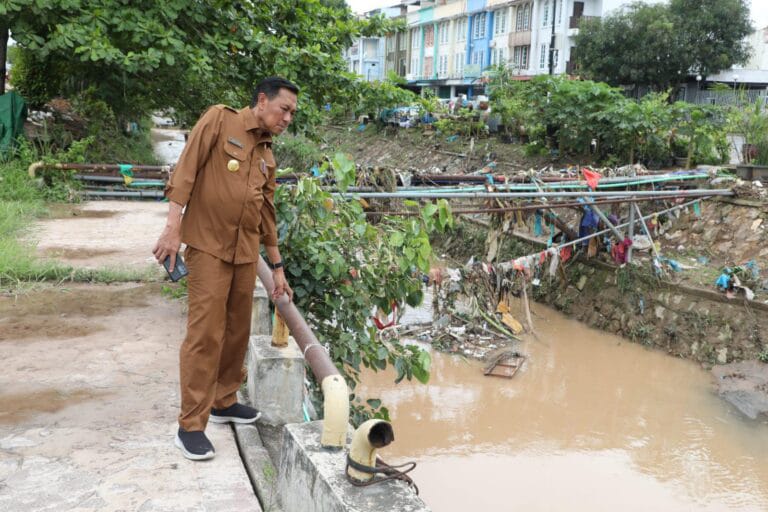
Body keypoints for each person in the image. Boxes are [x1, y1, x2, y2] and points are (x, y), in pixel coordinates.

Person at [152, 77, 298, 460]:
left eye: (292, 114)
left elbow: (267, 212)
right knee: (205, 333)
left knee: (237, 331)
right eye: (284, 110)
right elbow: (185, 171)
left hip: (246, 254)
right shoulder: (220, 120)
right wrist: (172, 228)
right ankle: (190, 425)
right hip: (208, 247)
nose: (287, 119)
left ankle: (224, 401)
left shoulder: (268, 154)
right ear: (263, 100)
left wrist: (277, 266)